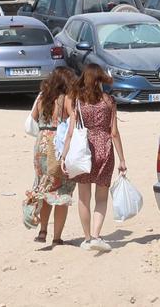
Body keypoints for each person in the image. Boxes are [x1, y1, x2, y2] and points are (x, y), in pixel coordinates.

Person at [60, 64, 126, 251]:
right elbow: (114, 133)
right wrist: (122, 159)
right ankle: (97, 236)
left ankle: (87, 238)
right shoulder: (109, 101)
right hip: (105, 149)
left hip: (84, 150)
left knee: (83, 197)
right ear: (100, 80)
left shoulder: (78, 102)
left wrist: (63, 156)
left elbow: (71, 133)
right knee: (101, 198)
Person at [30, 68, 76, 245]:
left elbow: (33, 118)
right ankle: (57, 238)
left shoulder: (42, 97)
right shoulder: (66, 99)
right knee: (61, 192)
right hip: (57, 144)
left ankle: (42, 232)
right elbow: (74, 120)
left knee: (45, 189)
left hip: (41, 144)